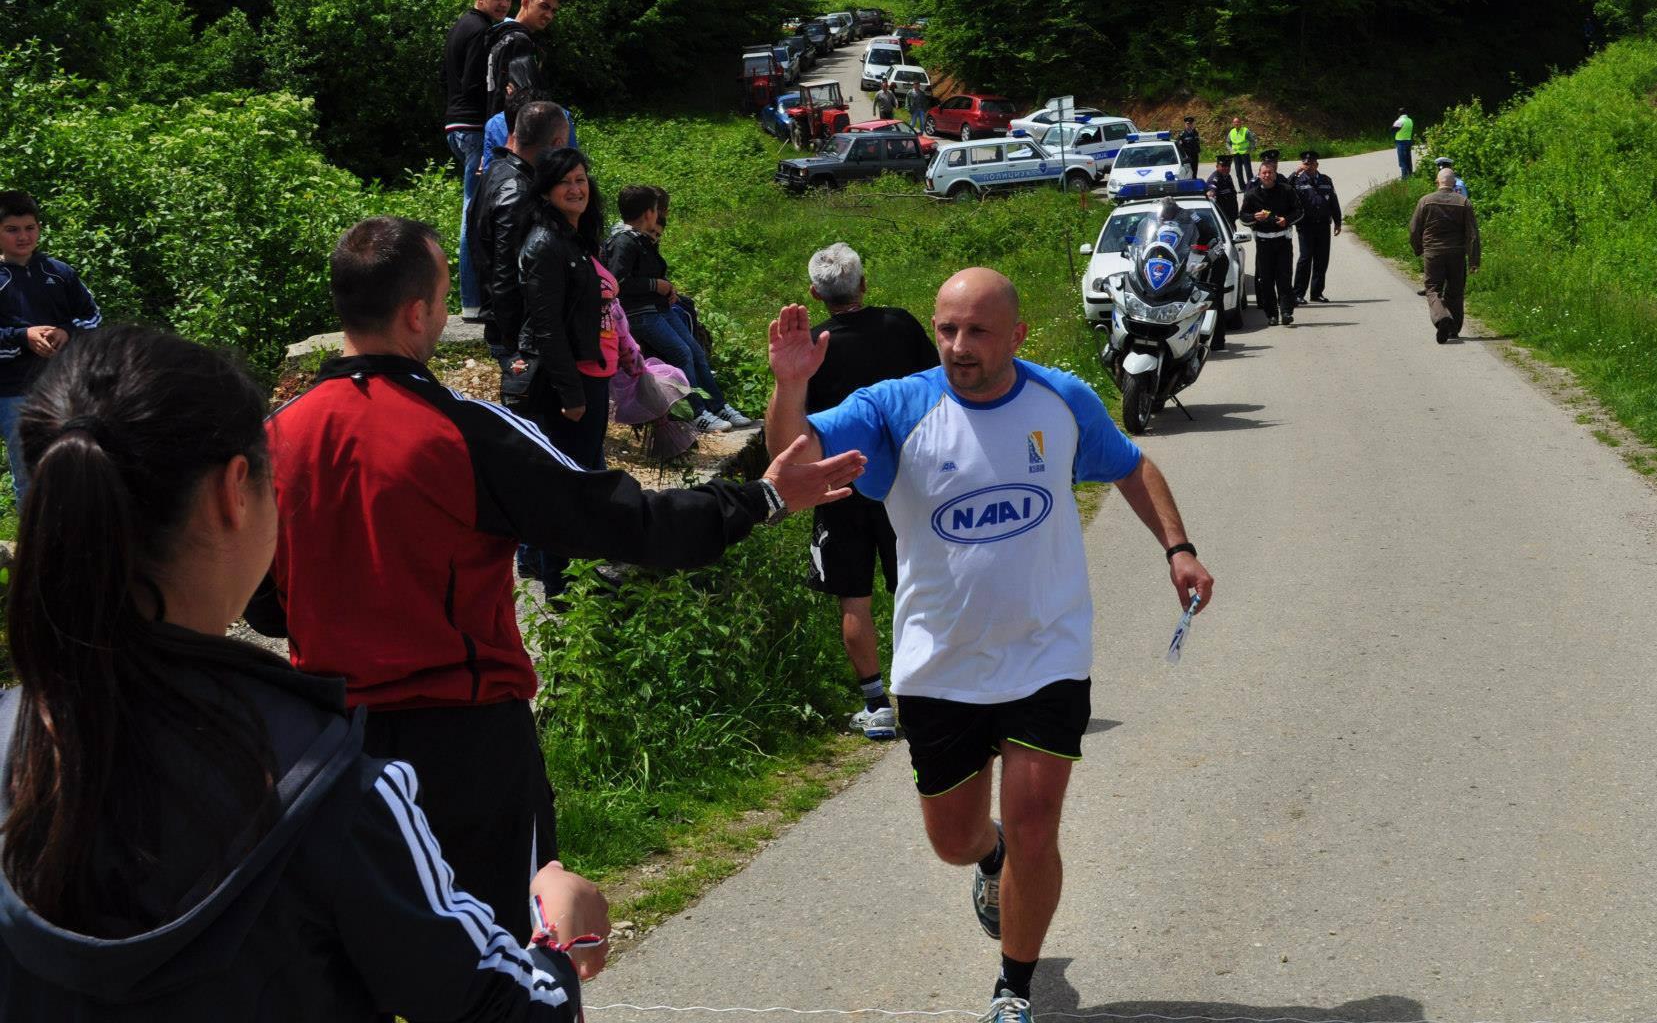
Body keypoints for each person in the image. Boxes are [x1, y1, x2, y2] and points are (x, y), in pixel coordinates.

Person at [248, 216, 863, 943]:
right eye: (446, 293)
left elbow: (265, 606)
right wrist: (759, 498)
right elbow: (622, 520)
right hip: (464, 747)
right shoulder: (462, 431)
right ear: (418, 313)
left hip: (331, 750)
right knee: (503, 964)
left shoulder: (273, 439)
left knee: (359, 972)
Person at [0, 324, 600, 1018]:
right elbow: (506, 1009)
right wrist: (559, 937)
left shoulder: (16, 741)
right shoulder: (327, 785)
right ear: (234, 491)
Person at [764, 268, 1214, 1023]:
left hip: (1048, 652)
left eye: (976, 331)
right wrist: (789, 389)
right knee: (953, 838)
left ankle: (1014, 987)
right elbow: (795, 460)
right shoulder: (895, 406)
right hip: (940, 661)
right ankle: (989, 857)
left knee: (1039, 820)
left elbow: (1133, 466)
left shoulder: (1061, 399)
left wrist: (1178, 547)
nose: (957, 346)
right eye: (946, 329)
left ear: (1016, 336)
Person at [801, 243, 941, 742]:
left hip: (840, 483)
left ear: (816, 293)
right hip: (907, 478)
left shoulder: (814, 343)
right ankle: (926, 695)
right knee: (916, 587)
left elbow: (801, 422)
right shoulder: (899, 325)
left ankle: (877, 705)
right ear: (863, 284)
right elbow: (936, 386)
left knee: (853, 598)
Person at [515, 149, 613, 599]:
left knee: (577, 475)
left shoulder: (572, 237)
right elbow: (546, 326)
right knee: (567, 483)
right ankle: (561, 585)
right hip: (565, 379)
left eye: (581, 179)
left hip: (588, 369)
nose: (577, 188)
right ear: (547, 190)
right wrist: (571, 393)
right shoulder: (544, 244)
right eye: (565, 182)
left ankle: (554, 565)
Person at [602, 184, 754, 433]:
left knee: (695, 351)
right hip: (641, 314)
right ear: (648, 213)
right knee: (681, 353)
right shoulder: (623, 241)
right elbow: (618, 281)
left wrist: (666, 289)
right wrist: (656, 285)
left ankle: (718, 405)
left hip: (657, 308)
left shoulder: (640, 239)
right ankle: (696, 412)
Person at [0, 190, 100, 506]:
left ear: (39, 228)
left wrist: (66, 333)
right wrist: (22, 336)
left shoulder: (59, 272)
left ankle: (72, 543)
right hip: (11, 391)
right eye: (12, 229)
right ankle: (35, 548)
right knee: (29, 473)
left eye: (30, 227)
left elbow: (92, 317)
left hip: (62, 386)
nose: (23, 236)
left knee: (74, 464)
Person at [470, 101, 570, 379]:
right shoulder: (519, 192)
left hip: (502, 323)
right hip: (516, 332)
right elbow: (506, 274)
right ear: (558, 142)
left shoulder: (496, 170)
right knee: (533, 411)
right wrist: (517, 343)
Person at [442, 0, 515, 320]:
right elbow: (475, 82)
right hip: (472, 127)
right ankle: (472, 303)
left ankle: (474, 300)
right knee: (474, 213)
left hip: (457, 124)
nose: (502, 4)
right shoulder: (479, 31)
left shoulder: (462, 26)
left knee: (475, 208)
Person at [1408, 166, 1482, 343]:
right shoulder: (1463, 202)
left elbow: (1413, 229)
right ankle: (1453, 329)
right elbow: (1472, 234)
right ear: (1454, 183)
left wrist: (1419, 249)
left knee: (1432, 289)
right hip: (1456, 254)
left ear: (1437, 182)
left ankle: (1442, 318)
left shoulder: (1425, 201)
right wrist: (1474, 260)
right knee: (1455, 291)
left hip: (1433, 252)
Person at [1238, 155, 1301, 327]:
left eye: (1270, 172)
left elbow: (1299, 211)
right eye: (1264, 173)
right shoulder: (1252, 195)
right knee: (1266, 280)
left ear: (1275, 174)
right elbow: (1243, 216)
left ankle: (1286, 312)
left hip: (1283, 241)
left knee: (1284, 278)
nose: (1267, 175)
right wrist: (1254, 217)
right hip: (1264, 243)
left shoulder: (1286, 190)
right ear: (1259, 175)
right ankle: (1271, 315)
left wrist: (1286, 220)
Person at [484, 0, 561, 121]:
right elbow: (523, 97)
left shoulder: (499, 33)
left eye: (553, 11)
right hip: (512, 126)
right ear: (525, 2)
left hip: (493, 123)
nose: (549, 16)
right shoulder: (519, 41)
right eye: (544, 6)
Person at [1289, 151, 1342, 304]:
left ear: (1317, 164)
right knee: (1305, 259)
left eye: (1312, 163)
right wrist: (1295, 173)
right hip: (1306, 226)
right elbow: (1284, 187)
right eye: (1306, 164)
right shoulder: (1297, 181)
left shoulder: (1326, 180)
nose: (1309, 166)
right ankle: (1298, 294)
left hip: (1324, 225)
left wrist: (1338, 221)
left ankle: (1317, 293)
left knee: (1322, 259)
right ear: (1302, 165)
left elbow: (1333, 201)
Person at [1204, 161, 1239, 235]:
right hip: (1223, 215)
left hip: (1230, 213)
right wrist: (1211, 191)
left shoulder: (1227, 176)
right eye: (1223, 166)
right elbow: (1212, 186)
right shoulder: (1215, 178)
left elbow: (1232, 193)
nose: (1226, 168)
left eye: (1228, 166)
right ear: (1217, 167)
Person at [1224, 115, 1254, 186]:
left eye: (1237, 122)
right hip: (1236, 154)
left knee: (1248, 171)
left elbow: (1252, 141)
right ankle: (1242, 187)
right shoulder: (1231, 132)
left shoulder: (1245, 131)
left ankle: (1251, 186)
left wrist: (1249, 149)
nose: (1236, 124)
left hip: (1245, 153)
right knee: (1238, 172)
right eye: (1234, 122)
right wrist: (1231, 150)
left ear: (1240, 123)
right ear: (1233, 123)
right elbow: (1228, 143)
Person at [1392, 109, 1415, 179]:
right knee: (1408, 158)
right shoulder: (1410, 120)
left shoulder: (1400, 121)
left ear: (1399, 113)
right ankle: (1410, 174)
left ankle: (1404, 177)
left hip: (1401, 142)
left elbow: (1393, 130)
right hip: (1408, 140)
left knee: (1402, 160)